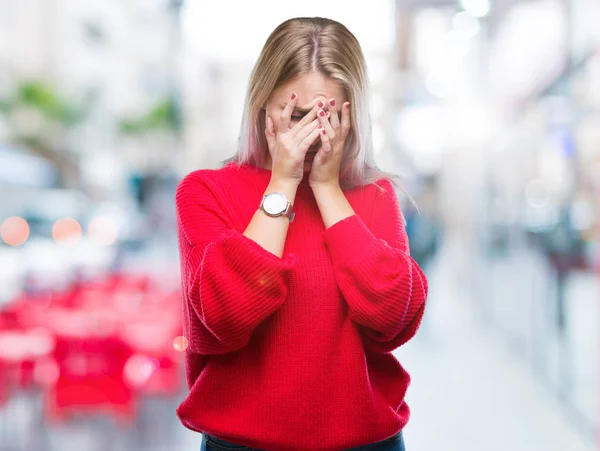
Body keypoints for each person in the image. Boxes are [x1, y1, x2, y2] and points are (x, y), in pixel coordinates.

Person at [174, 17, 428, 451]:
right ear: (261, 106)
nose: (313, 132)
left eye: (328, 115)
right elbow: (225, 317)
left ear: (353, 114)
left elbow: (394, 319)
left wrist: (327, 188)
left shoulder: (374, 195)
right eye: (296, 115)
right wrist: (283, 181)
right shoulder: (205, 191)